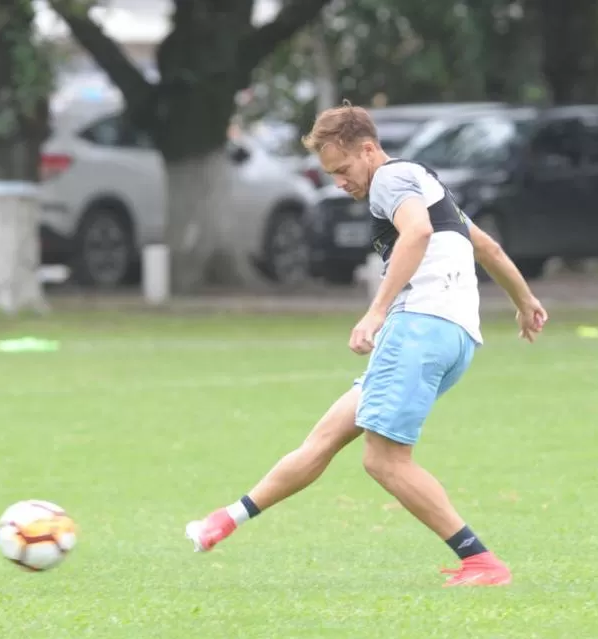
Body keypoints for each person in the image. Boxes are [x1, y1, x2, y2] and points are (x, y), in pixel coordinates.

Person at [185, 101, 548, 586]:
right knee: (326, 436)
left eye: (343, 168)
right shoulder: (427, 184)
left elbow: (415, 233)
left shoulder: (391, 180)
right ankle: (227, 518)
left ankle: (480, 560)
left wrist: (376, 311)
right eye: (330, 173)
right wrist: (525, 300)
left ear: (369, 149)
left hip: (419, 326)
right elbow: (487, 246)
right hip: (454, 335)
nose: (340, 182)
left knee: (382, 460)